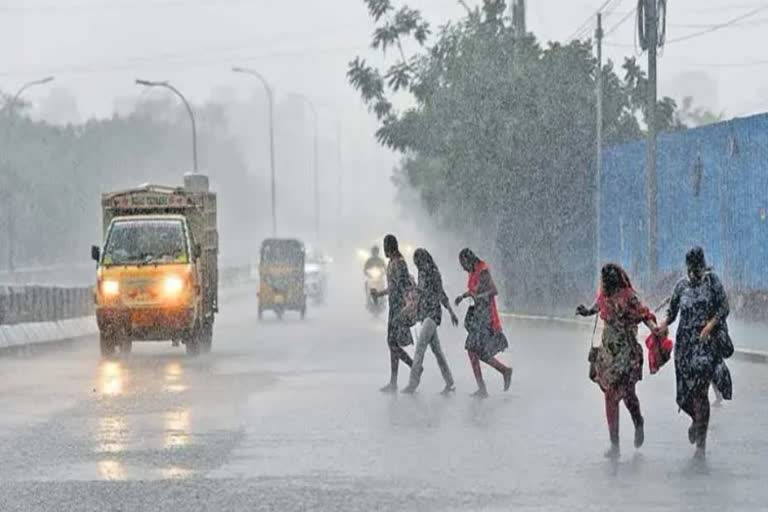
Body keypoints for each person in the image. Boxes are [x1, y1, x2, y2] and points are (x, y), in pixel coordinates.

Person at [656, 247, 730, 460]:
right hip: (685, 348)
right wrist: (663, 324)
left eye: (699, 269)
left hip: (706, 345)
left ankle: (701, 447)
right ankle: (696, 422)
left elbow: (724, 307)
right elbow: (672, 311)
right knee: (684, 396)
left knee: (700, 392)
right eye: (693, 269)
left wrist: (711, 325)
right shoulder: (681, 287)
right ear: (688, 268)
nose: (696, 273)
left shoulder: (712, 283)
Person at [577, 263, 657, 458]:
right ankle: (615, 444)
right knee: (611, 396)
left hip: (626, 353)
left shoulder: (629, 297)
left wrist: (654, 327)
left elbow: (644, 314)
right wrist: (586, 311)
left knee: (628, 394)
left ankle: (638, 421)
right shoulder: (604, 295)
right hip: (608, 353)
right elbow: (596, 307)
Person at [455, 248, 512, 399]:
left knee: (472, 349)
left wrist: (479, 296)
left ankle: (485, 387)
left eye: (463, 263)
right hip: (478, 315)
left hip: (485, 316)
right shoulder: (472, 272)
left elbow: (493, 290)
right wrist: (463, 296)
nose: (462, 267)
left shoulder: (483, 270)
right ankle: (503, 372)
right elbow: (473, 290)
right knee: (477, 352)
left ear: (469, 260)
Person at [401, 248, 459, 395]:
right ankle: (450, 382)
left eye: (418, 262)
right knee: (437, 352)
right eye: (415, 264)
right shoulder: (421, 273)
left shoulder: (433, 273)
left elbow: (441, 293)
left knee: (420, 347)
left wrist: (451, 311)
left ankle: (412, 384)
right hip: (425, 313)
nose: (418, 266)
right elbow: (421, 292)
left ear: (423, 259)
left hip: (433, 314)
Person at [370, 235, 415, 393]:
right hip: (393, 307)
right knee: (393, 343)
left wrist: (407, 306)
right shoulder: (391, 263)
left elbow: (403, 287)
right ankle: (394, 381)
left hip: (399, 308)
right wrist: (380, 294)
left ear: (391, 246)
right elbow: (392, 287)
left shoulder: (400, 263)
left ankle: (414, 366)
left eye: (385, 246)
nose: (384, 249)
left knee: (392, 343)